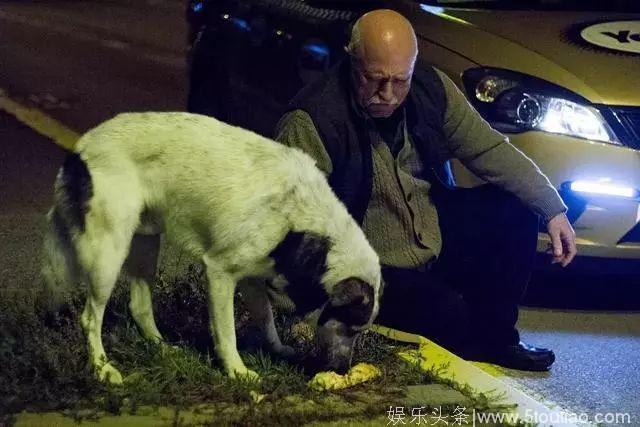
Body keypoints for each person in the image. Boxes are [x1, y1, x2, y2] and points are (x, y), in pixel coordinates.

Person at [275, 9, 577, 371]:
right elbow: (292, 233)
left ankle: (497, 340)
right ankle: (454, 333)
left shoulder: (432, 89)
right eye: (374, 79)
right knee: (446, 316)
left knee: (514, 209)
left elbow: (488, 150)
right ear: (351, 59)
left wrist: (552, 208)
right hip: (371, 268)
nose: (387, 94)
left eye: (400, 80)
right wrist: (298, 320)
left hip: (431, 239)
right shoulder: (312, 121)